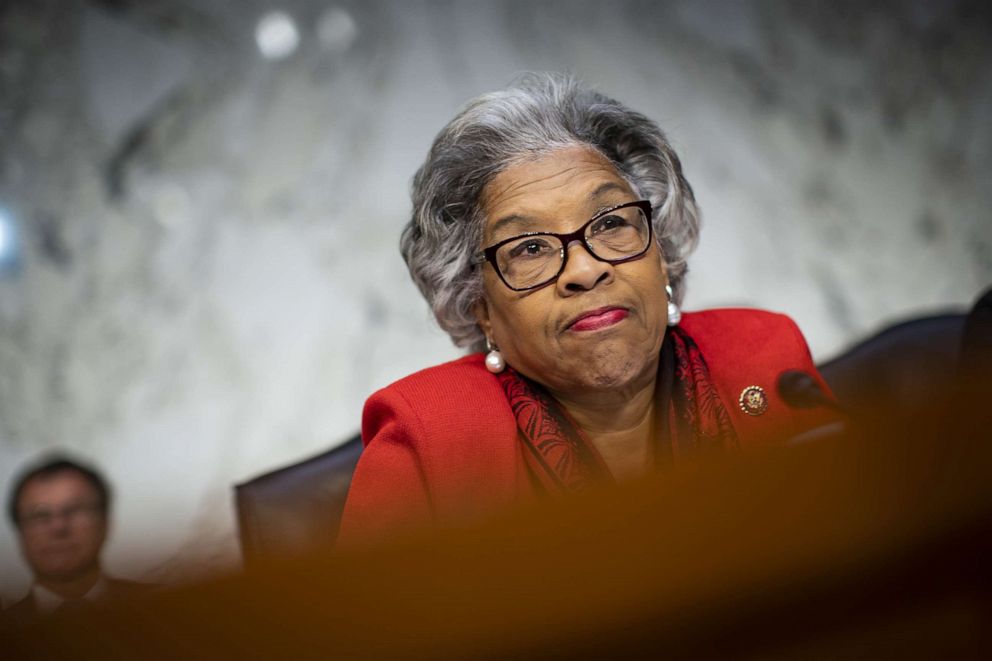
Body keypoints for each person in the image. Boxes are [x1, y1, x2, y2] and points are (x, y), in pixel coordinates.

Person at [339, 73, 838, 544]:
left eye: (610, 223)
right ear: (479, 305)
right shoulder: (430, 444)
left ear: (660, 252)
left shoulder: (766, 360)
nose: (584, 270)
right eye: (530, 248)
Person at [3, 455, 149, 622]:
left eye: (75, 510)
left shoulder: (163, 611)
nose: (58, 527)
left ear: (106, 523)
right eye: (39, 515)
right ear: (20, 532)